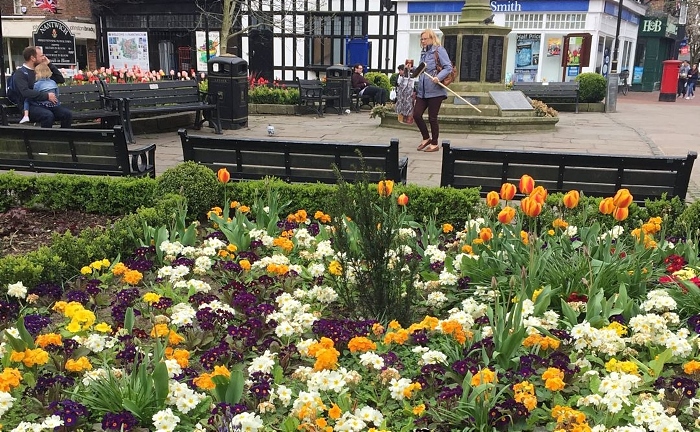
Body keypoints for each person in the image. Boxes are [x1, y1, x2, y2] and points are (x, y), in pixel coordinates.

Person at [12, 46, 72, 128]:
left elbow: (60, 79)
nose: (44, 58)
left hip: (47, 105)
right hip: (30, 107)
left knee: (67, 114)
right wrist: (47, 96)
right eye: (41, 56)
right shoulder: (20, 73)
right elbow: (25, 92)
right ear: (33, 58)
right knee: (47, 115)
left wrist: (49, 64)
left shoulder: (41, 71)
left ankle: (64, 139)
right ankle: (46, 139)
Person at [413, 29, 453, 153]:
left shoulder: (439, 50)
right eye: (422, 39)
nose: (423, 41)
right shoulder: (423, 52)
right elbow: (422, 69)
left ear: (432, 38)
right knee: (416, 115)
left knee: (432, 118)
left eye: (425, 39)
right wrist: (412, 68)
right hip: (423, 90)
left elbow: (448, 67)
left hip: (436, 91)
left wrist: (438, 77)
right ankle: (426, 137)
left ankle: (434, 143)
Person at [395, 60, 416, 124]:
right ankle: (402, 118)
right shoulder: (399, 77)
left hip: (409, 92)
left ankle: (409, 119)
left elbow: (412, 82)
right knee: (401, 105)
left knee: (409, 105)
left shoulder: (412, 74)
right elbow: (399, 83)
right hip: (402, 93)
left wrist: (411, 69)